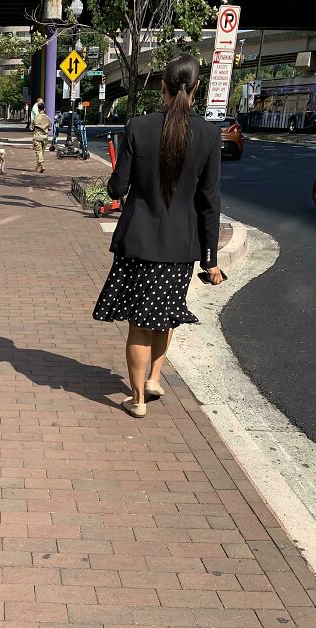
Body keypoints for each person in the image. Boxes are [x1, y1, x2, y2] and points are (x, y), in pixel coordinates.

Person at [92, 53, 223, 418]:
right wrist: (210, 260)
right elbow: (210, 201)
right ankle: (154, 378)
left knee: (139, 323)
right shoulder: (210, 134)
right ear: (195, 88)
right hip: (181, 246)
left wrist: (118, 181)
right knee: (166, 315)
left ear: (162, 87)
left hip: (139, 241)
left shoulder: (139, 127)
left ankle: (136, 401)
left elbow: (118, 189)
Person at [32, 102, 52, 173]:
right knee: (42, 152)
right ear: (44, 109)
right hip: (45, 137)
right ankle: (38, 166)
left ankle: (42, 164)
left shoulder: (35, 117)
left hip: (37, 136)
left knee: (38, 151)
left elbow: (32, 128)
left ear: (38, 109)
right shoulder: (47, 118)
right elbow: (50, 128)